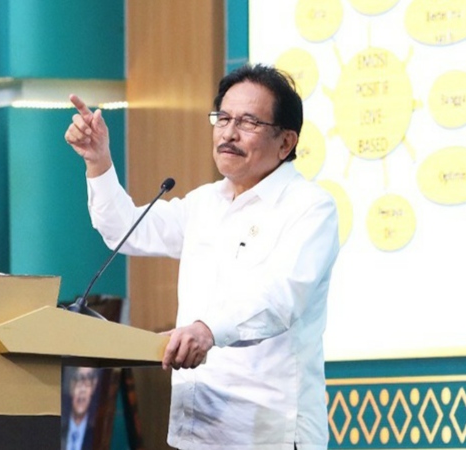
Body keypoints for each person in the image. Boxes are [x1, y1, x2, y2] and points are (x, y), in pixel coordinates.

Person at [64, 64, 339, 449]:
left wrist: (207, 329)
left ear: (286, 142)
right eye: (223, 118)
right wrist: (98, 162)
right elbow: (125, 230)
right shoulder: (205, 203)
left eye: (248, 122)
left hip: (268, 434)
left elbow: (281, 298)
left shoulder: (310, 208)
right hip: (196, 431)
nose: (229, 133)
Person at [61, 367, 99, 450]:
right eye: (78, 379)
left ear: (93, 387)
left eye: (88, 380)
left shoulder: (98, 437)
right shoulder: (56, 431)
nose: (82, 389)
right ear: (71, 386)